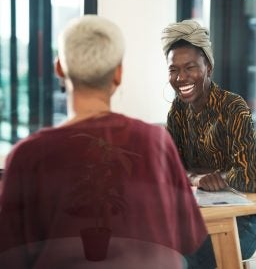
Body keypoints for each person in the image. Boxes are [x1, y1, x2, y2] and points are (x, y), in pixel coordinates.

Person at [0, 15, 208, 268]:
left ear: (59, 69)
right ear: (118, 74)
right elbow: (188, 239)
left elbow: (11, 258)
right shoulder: (157, 142)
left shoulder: (27, 156)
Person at [161, 19, 256, 267]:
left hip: (241, 222)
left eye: (190, 68)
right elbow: (171, 170)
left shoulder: (233, 107)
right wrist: (195, 178)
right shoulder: (177, 110)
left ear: (208, 67)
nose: (181, 77)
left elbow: (249, 176)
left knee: (183, 255)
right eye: (173, 69)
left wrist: (210, 177)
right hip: (196, 216)